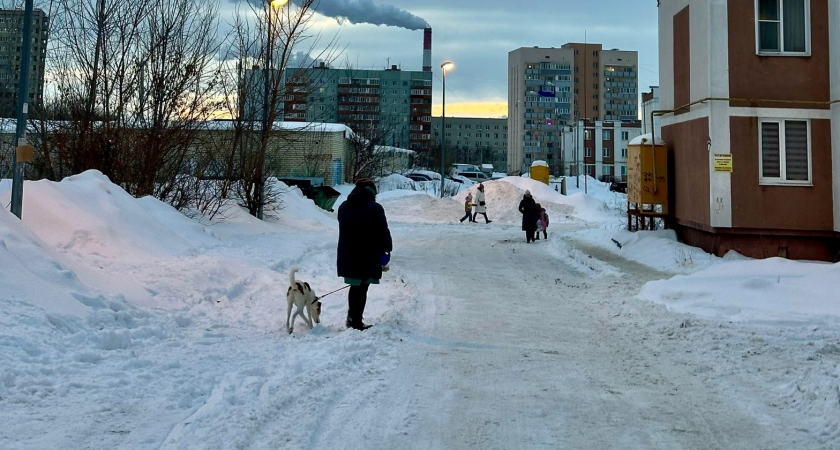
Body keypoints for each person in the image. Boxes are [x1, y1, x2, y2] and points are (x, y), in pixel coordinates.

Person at [337, 178, 393, 330]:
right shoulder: (375, 208)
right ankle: (355, 322)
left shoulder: (344, 206)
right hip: (367, 255)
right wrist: (387, 248)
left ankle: (352, 318)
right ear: (372, 191)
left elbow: (342, 222)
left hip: (347, 253)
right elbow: (383, 231)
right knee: (362, 287)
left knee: (355, 286)